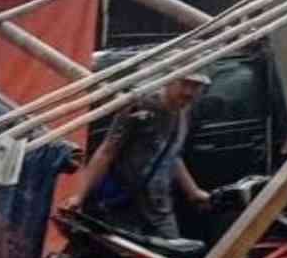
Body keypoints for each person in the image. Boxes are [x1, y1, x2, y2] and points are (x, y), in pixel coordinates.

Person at [71, 74, 212, 240]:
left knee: (173, 254)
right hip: (125, 203)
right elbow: (107, 151)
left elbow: (171, 154)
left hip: (159, 206)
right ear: (168, 80)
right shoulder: (141, 107)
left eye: (195, 86)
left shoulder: (183, 112)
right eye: (184, 84)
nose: (189, 92)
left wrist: (193, 191)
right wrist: (80, 196)